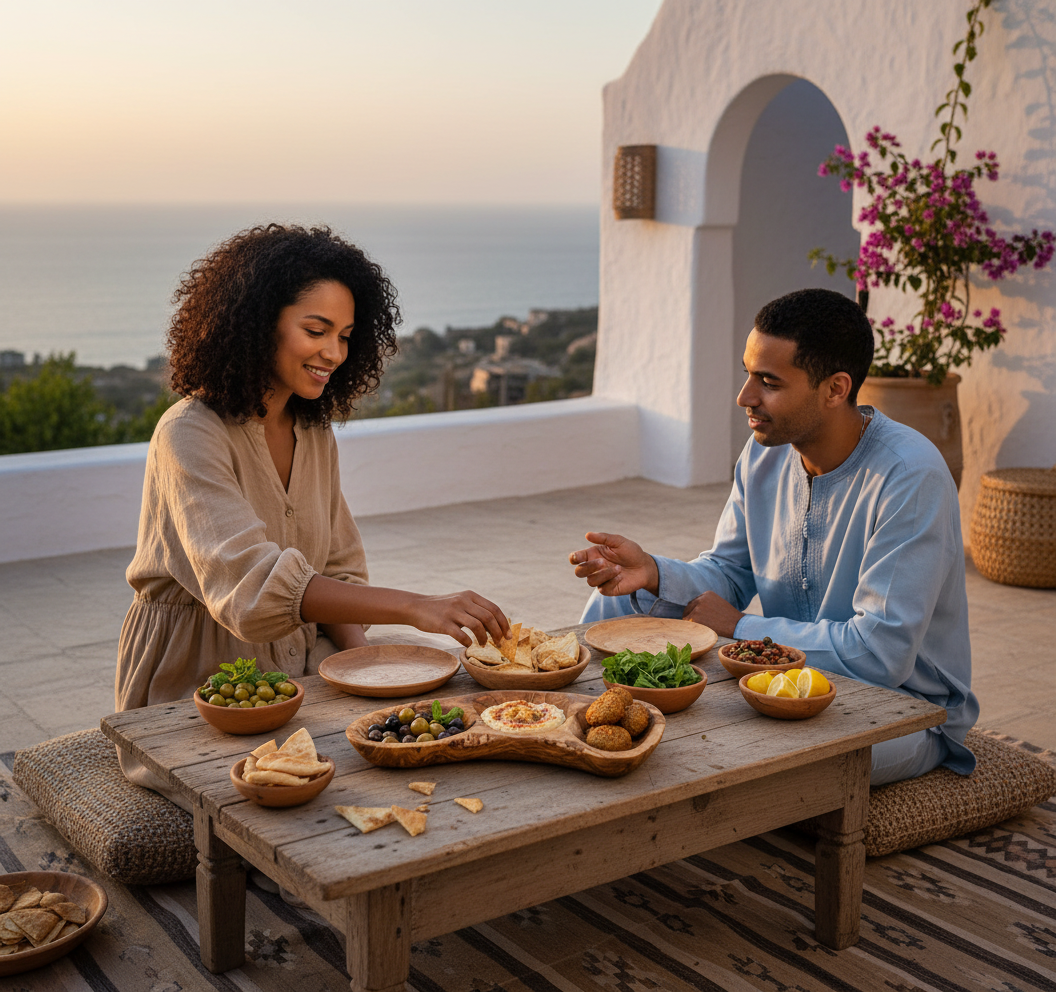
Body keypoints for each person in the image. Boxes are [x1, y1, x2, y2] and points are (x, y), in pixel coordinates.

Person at [116, 224, 509, 797]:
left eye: (346, 335)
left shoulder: (312, 427)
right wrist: (417, 607)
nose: (334, 352)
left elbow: (339, 569)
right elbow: (251, 592)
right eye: (316, 330)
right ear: (255, 323)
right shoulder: (189, 433)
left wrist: (372, 667)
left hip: (303, 671)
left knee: (423, 765)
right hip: (202, 686)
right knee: (286, 801)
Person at [570, 288, 977, 786]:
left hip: (901, 708)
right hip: (774, 679)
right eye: (748, 373)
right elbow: (728, 573)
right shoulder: (766, 452)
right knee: (621, 608)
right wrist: (653, 574)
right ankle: (586, 736)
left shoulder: (909, 477)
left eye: (768, 382)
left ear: (835, 388)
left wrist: (743, 629)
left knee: (774, 764)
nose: (745, 397)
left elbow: (880, 655)